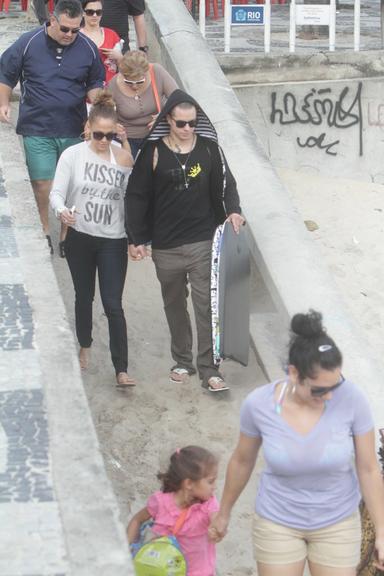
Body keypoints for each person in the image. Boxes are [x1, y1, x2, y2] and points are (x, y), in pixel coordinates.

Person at [210, 310, 384, 576]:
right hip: (278, 521)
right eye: (319, 390)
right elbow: (242, 460)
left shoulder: (352, 399)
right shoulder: (259, 404)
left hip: (337, 522)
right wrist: (224, 512)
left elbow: (369, 468)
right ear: (294, 373)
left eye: (335, 386)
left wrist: (382, 531)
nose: (329, 396)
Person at [125, 89, 244, 392]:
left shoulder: (208, 150)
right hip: (165, 245)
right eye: (181, 123)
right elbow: (136, 196)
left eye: (192, 123)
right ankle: (182, 360)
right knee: (174, 304)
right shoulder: (153, 153)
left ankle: (209, 368)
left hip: (202, 241)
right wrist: (136, 237)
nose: (187, 129)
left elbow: (227, 184)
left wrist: (233, 212)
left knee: (206, 306)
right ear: (169, 120)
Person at [0, 0, 105, 255]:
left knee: (72, 185)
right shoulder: (28, 42)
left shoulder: (88, 49)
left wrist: (101, 108)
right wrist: (3, 103)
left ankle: (66, 235)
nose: (70, 35)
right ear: (53, 21)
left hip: (74, 128)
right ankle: (45, 229)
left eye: (75, 30)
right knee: (42, 183)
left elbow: (94, 83)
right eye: (65, 29)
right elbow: (5, 74)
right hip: (38, 126)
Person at [49, 91, 135, 388]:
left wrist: (137, 239)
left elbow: (132, 200)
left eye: (109, 135)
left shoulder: (122, 157)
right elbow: (57, 193)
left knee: (113, 304)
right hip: (80, 237)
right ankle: (85, 344)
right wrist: (62, 212)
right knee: (84, 297)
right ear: (88, 128)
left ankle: (121, 368)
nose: (102, 140)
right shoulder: (72, 155)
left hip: (113, 239)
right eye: (98, 133)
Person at [127, 446, 219, 576]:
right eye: (210, 481)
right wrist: (127, 550)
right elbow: (137, 519)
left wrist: (217, 528)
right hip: (161, 570)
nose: (215, 486)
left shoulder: (208, 504)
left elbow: (217, 519)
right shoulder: (160, 502)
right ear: (189, 484)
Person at [108, 50, 178, 157]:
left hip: (157, 134)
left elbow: (178, 98)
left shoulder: (157, 71)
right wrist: (113, 125)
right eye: (129, 82)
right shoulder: (113, 84)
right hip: (127, 138)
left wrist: (163, 117)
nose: (135, 86)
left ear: (147, 71)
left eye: (140, 82)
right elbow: (102, 113)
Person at [81, 0, 123, 84]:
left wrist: (119, 57)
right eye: (90, 12)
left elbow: (124, 69)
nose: (95, 15)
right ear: (83, 13)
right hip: (84, 88)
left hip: (111, 88)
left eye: (98, 12)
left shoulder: (112, 35)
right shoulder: (76, 36)